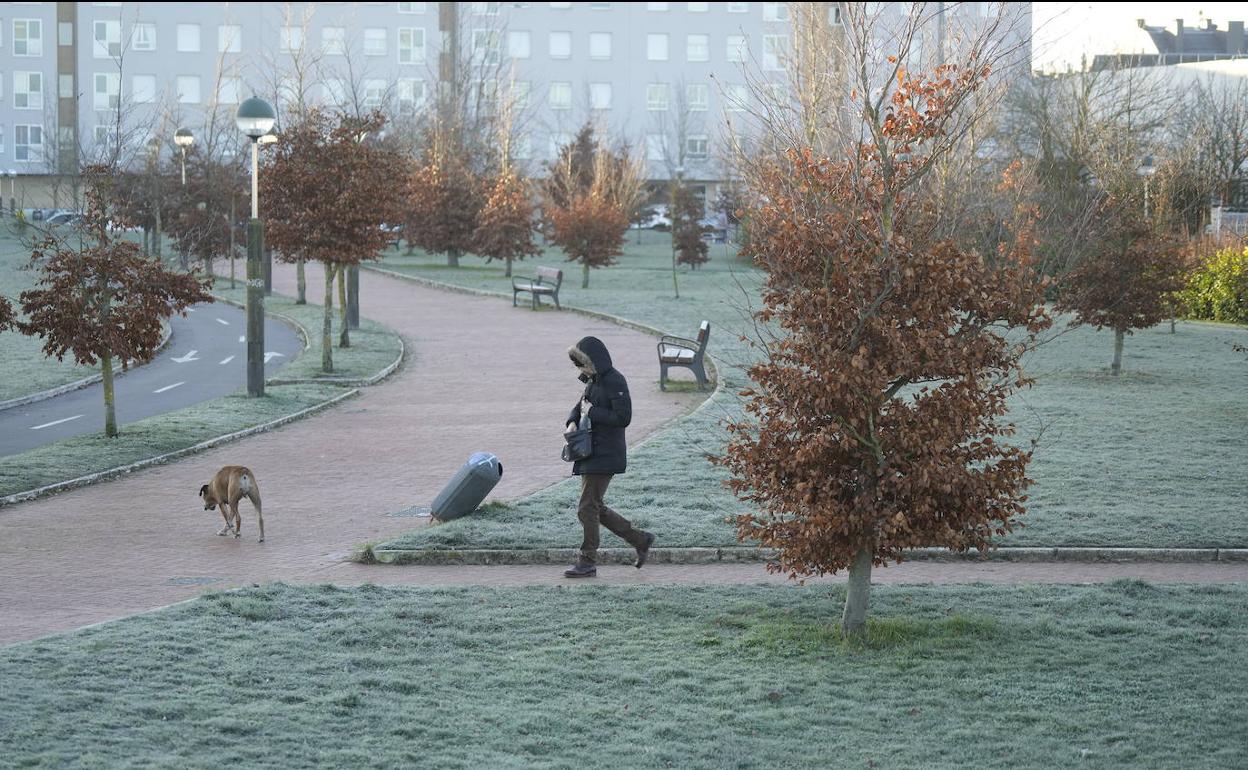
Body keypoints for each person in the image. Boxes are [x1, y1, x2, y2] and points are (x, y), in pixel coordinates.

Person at [563, 335, 655, 578]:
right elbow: (580, 404)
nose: (581, 370)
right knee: (595, 507)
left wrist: (593, 412)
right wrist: (573, 421)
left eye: (583, 364)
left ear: (595, 360)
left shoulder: (615, 381)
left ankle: (587, 561)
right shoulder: (594, 381)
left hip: (606, 453)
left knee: (586, 508)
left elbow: (623, 418)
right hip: (591, 450)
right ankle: (640, 539)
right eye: (579, 366)